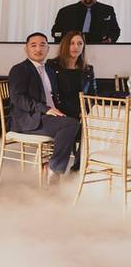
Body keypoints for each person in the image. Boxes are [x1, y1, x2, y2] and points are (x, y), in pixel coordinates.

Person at [7, 32, 80, 179]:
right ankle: (54, 170)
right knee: (70, 124)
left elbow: (56, 99)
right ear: (26, 49)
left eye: (42, 45)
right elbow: (17, 98)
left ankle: (77, 169)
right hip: (29, 119)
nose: (38, 49)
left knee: (84, 127)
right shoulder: (19, 69)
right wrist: (45, 109)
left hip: (49, 118)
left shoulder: (50, 71)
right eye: (33, 45)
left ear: (48, 49)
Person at [47, 31, 96, 171]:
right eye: (72, 43)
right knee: (76, 126)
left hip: (80, 113)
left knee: (93, 128)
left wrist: (85, 110)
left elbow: (93, 95)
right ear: (65, 45)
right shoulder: (52, 65)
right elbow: (46, 92)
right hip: (59, 112)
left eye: (80, 43)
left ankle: (78, 168)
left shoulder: (88, 69)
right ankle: (56, 169)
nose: (76, 47)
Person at [51, 0, 120, 43]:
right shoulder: (65, 12)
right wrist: (65, 41)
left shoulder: (107, 10)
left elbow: (115, 31)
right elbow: (55, 32)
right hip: (71, 47)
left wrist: (109, 40)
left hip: (99, 47)